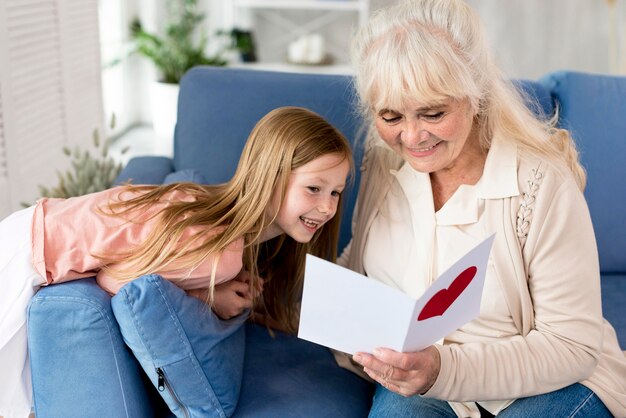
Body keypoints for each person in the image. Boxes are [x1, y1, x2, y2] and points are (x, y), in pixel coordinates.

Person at [338, 1, 626, 417]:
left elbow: (571, 346)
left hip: (549, 381)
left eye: (433, 113)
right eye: (391, 116)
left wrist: (442, 368)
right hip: (428, 386)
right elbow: (361, 267)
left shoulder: (540, 183)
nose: (412, 136)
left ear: (476, 95)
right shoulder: (384, 162)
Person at [0, 106, 353, 418]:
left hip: (35, 228)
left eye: (335, 192)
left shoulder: (225, 232)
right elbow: (118, 282)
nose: (327, 207)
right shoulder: (221, 252)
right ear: (270, 177)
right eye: (314, 189)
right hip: (30, 251)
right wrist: (208, 297)